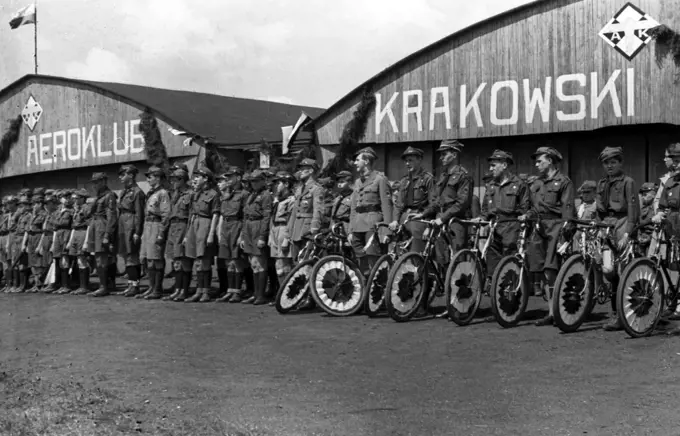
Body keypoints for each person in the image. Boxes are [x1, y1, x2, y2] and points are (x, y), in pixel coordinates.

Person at [524, 146, 575, 326]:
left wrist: (567, 229)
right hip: (539, 227)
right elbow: (533, 207)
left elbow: (568, 207)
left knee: (550, 269)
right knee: (542, 271)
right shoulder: (536, 183)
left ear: (550, 161)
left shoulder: (564, 181)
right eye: (536, 161)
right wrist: (527, 215)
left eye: (540, 161)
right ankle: (551, 312)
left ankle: (558, 311)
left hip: (556, 226)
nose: (536, 164)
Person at [595, 147, 639, 332]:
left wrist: (628, 232)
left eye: (613, 162)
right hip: (606, 226)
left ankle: (621, 316)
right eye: (606, 163)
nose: (610, 166)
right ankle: (617, 310)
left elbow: (632, 208)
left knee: (623, 270)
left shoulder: (628, 182)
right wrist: (598, 227)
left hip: (622, 224)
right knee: (607, 269)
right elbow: (598, 209)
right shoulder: (602, 183)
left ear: (620, 163)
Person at [479, 150, 530, 286]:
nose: (491, 168)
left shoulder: (519, 184)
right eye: (490, 165)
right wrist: (482, 220)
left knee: (510, 259)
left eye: (494, 165)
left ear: (505, 165)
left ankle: (512, 290)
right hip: (494, 227)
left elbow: (525, 208)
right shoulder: (490, 186)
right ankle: (494, 288)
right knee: (492, 258)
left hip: (512, 226)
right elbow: (485, 209)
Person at [422, 139, 473, 265]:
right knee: (441, 258)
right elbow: (436, 201)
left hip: (455, 221)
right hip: (440, 220)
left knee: (458, 259)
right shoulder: (443, 176)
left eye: (444, 154)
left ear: (454, 155)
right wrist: (424, 214)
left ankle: (459, 285)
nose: (441, 158)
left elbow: (462, 203)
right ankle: (443, 284)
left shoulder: (464, 176)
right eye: (441, 154)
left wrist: (443, 218)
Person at [348, 147, 392, 276]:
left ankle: (378, 288)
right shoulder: (357, 182)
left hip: (373, 225)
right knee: (360, 260)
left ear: (366, 161)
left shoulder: (380, 179)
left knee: (374, 260)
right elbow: (354, 208)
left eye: (357, 160)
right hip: (357, 225)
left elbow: (386, 205)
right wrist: (351, 230)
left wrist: (386, 230)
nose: (355, 163)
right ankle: (366, 287)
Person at [183, 167, 220, 303]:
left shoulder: (213, 194)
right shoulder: (195, 194)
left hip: (206, 224)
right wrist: (188, 233)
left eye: (198, 177)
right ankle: (198, 290)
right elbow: (192, 214)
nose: (195, 179)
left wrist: (211, 234)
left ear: (206, 179)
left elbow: (215, 214)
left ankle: (205, 291)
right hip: (195, 224)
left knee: (204, 261)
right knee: (197, 261)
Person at [390, 146, 435, 253]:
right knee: (398, 252)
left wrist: (428, 224)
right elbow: (399, 204)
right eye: (406, 161)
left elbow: (433, 203)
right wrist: (395, 220)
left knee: (416, 253)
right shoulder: (404, 180)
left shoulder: (428, 179)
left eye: (410, 160)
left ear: (419, 160)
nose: (407, 163)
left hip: (419, 218)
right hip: (404, 219)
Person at [653, 143, 680, 323]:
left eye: (667, 157)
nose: (665, 160)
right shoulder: (670, 182)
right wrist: (659, 215)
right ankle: (674, 303)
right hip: (672, 232)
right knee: (675, 267)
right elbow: (662, 206)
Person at [213, 167, 248, 303]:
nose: (228, 180)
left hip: (236, 226)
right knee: (228, 261)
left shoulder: (244, 194)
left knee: (236, 260)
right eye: (227, 177)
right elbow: (222, 213)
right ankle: (230, 290)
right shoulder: (227, 194)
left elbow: (245, 216)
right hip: (226, 226)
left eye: (231, 177)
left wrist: (242, 235)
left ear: (238, 177)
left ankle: (237, 291)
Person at [238, 169, 273, 305]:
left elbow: (266, 216)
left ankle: (260, 295)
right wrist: (242, 235)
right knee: (253, 263)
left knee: (260, 263)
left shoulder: (265, 195)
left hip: (258, 226)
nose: (253, 183)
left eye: (256, 181)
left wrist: (263, 236)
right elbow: (245, 215)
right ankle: (255, 293)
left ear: (263, 181)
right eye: (252, 181)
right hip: (248, 226)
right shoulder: (251, 195)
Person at [163, 167, 194, 302]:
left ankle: (184, 290)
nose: (173, 182)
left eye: (175, 179)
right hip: (173, 226)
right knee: (176, 262)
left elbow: (192, 214)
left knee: (184, 261)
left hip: (183, 225)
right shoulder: (174, 194)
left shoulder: (190, 194)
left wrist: (188, 233)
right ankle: (177, 289)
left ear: (182, 180)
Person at [266, 171, 296, 303]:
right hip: (275, 229)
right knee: (278, 265)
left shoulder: (291, 200)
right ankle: (280, 294)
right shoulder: (277, 200)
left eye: (279, 183)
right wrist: (269, 236)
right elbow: (272, 217)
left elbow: (291, 220)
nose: (276, 186)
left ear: (287, 184)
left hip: (284, 229)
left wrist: (286, 239)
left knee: (286, 265)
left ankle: (289, 295)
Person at [87, 172, 118, 297]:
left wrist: (107, 235)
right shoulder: (99, 196)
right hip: (95, 225)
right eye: (94, 182)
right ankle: (106, 284)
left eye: (97, 182)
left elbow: (111, 217)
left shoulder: (109, 196)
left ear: (104, 181)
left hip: (102, 226)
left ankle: (103, 286)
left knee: (101, 258)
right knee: (98, 258)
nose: (94, 185)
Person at [117, 165, 146, 297]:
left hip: (131, 223)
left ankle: (135, 285)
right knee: (125, 255)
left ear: (131, 175)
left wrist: (137, 232)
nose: (120, 177)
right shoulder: (124, 192)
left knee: (132, 255)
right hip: (123, 222)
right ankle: (130, 283)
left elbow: (139, 214)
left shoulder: (137, 192)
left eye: (123, 174)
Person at [288, 158, 325, 261]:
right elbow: (294, 212)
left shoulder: (317, 189)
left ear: (311, 171)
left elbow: (318, 211)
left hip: (307, 230)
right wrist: (289, 231)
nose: (300, 171)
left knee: (306, 262)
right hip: (296, 229)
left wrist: (314, 229)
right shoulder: (300, 189)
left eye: (303, 169)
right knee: (296, 263)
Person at [45, 190, 74, 293]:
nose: (64, 199)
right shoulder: (58, 211)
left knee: (65, 260)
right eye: (62, 197)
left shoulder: (71, 210)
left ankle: (66, 285)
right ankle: (58, 284)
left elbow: (68, 224)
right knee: (57, 259)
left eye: (66, 197)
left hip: (66, 234)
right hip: (58, 235)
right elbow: (54, 226)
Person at [65, 189, 93, 295]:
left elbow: (89, 225)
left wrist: (86, 241)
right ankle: (81, 285)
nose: (75, 200)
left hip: (83, 232)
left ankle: (84, 286)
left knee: (82, 259)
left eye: (77, 198)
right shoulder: (77, 209)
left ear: (82, 198)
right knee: (78, 259)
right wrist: (70, 240)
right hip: (76, 233)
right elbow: (74, 225)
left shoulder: (86, 208)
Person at [26, 188, 47, 292]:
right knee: (32, 262)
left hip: (38, 237)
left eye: (35, 204)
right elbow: (29, 228)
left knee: (39, 262)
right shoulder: (32, 215)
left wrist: (40, 245)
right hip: (31, 238)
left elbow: (44, 231)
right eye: (32, 204)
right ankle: (35, 283)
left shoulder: (44, 214)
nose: (33, 206)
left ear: (40, 204)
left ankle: (40, 283)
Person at [636, 182, 658, 258]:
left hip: (653, 240)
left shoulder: (657, 208)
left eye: (645, 195)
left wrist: (650, 237)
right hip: (641, 239)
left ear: (653, 195)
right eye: (641, 195)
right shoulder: (641, 207)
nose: (642, 197)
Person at [330, 171, 354, 235]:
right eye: (338, 182)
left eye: (342, 182)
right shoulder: (338, 198)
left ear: (350, 182)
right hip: (335, 228)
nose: (339, 184)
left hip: (346, 229)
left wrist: (351, 232)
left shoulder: (354, 196)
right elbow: (333, 216)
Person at [0, 196, 15, 292]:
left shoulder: (8, 216)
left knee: (8, 261)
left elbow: (6, 228)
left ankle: (10, 283)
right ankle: (6, 283)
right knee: (3, 262)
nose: (3, 207)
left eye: (5, 205)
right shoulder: (4, 216)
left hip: (7, 237)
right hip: (2, 237)